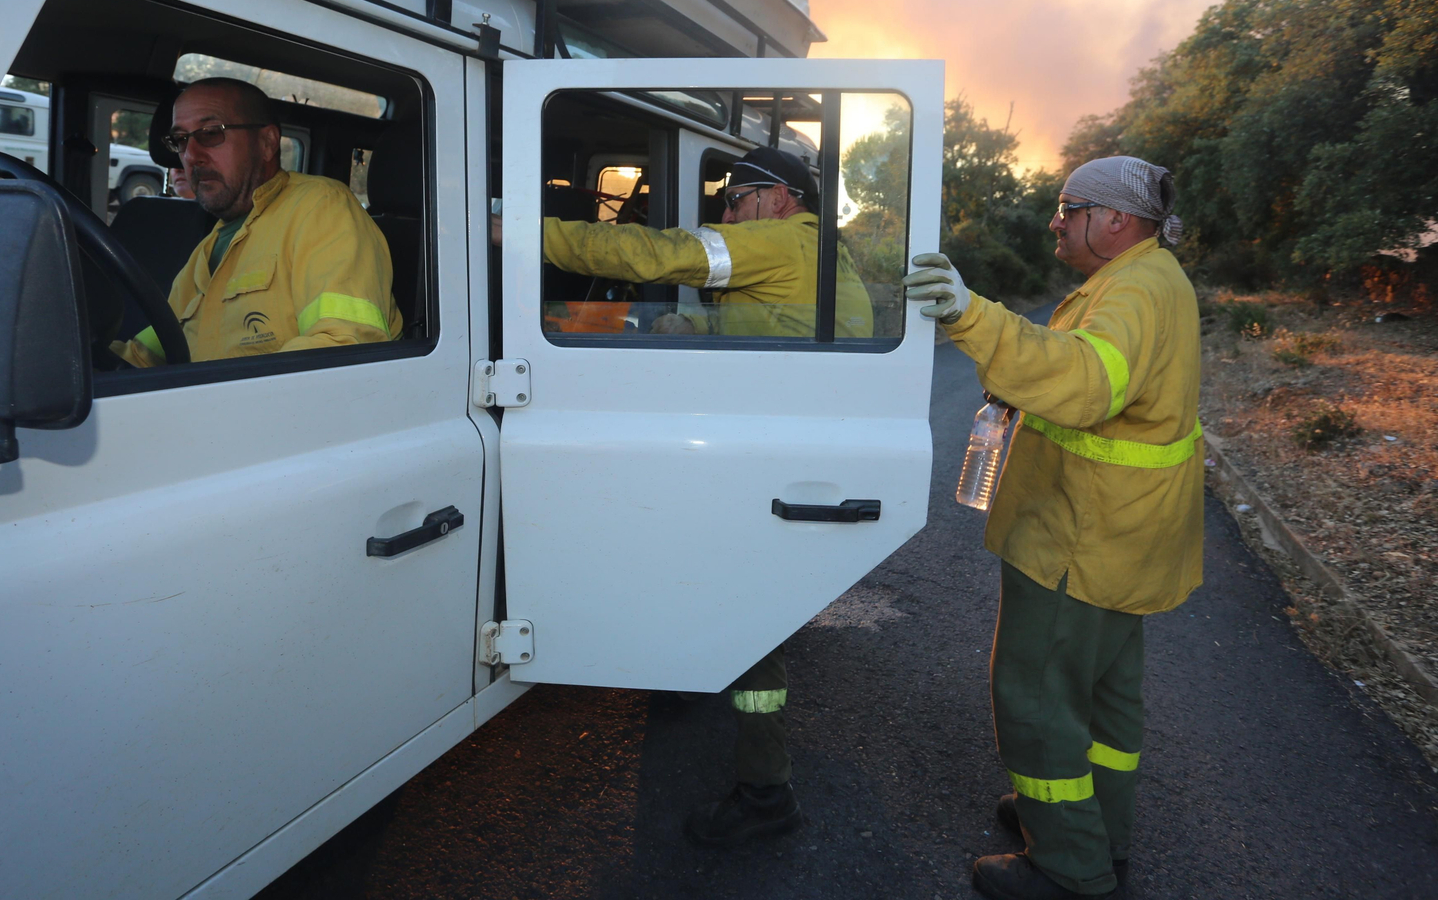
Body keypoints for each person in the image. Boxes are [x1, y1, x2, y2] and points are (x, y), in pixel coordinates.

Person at [500, 145, 871, 846]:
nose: (726, 211)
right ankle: (695, 666)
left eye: (736, 198)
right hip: (789, 443)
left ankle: (766, 793)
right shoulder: (814, 254)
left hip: (777, 454)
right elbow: (775, 325)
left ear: (779, 196)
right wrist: (692, 326)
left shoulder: (782, 238)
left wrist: (522, 229)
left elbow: (658, 255)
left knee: (752, 623)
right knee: (727, 589)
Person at [903, 157, 1203, 900]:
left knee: (1037, 699)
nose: (1055, 221)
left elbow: (1086, 381)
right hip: (1125, 537)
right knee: (1103, 697)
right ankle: (1100, 828)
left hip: (1081, 536)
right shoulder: (1148, 277)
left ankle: (1070, 867)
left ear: (1116, 220)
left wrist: (971, 315)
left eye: (1070, 208)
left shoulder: (1132, 289)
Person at [115, 78, 401, 365]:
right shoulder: (206, 250)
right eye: (180, 140)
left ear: (267, 143)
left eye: (211, 133)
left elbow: (343, 348)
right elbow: (145, 355)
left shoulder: (321, 207)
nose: (190, 156)